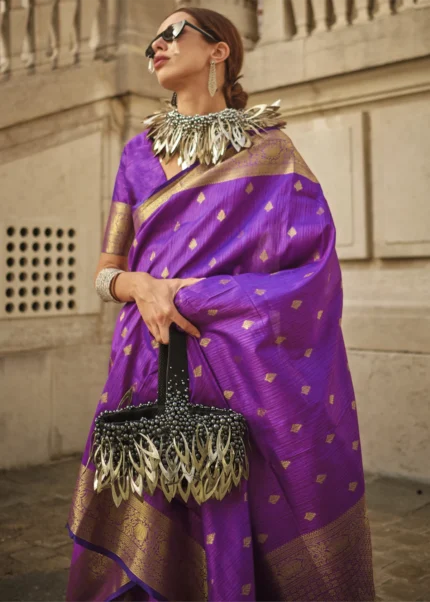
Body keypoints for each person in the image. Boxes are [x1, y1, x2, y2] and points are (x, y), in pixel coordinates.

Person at [65, 6, 376, 602]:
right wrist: (141, 287)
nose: (156, 44)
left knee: (241, 524)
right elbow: (108, 270)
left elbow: (312, 273)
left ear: (219, 51)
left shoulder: (270, 152)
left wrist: (194, 294)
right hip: (146, 360)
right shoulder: (137, 155)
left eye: (173, 32)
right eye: (152, 37)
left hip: (242, 370)